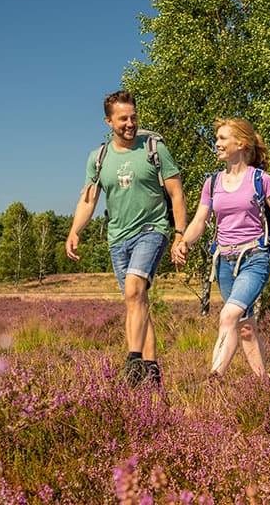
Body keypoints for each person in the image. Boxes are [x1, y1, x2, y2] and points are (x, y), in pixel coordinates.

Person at [172, 117, 270, 378]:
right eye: (217, 139)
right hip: (223, 261)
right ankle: (263, 384)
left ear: (241, 143)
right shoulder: (212, 183)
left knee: (228, 316)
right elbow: (200, 221)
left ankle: (213, 380)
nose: (217, 143)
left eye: (223, 138)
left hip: (254, 259)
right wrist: (183, 242)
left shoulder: (261, 179)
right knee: (245, 325)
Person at [66, 90, 187, 388]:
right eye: (123, 119)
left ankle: (133, 363)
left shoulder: (154, 148)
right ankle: (152, 371)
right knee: (137, 302)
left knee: (134, 290)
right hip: (118, 238)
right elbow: (88, 199)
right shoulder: (99, 158)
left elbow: (176, 193)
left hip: (152, 229)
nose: (130, 123)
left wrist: (180, 235)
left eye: (133, 117)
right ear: (109, 121)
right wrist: (74, 231)